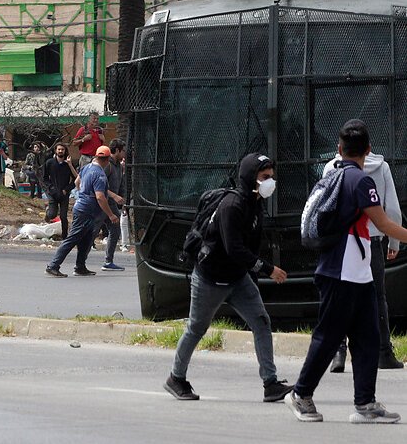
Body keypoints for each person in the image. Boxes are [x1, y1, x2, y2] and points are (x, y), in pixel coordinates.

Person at [286, 119, 407, 424]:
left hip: (357, 272)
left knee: (367, 337)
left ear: (339, 149)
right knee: (328, 337)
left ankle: (365, 404)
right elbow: (384, 224)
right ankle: (300, 394)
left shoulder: (335, 174)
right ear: (368, 149)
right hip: (341, 272)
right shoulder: (360, 181)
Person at [163, 153, 293, 403]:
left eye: (272, 177)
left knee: (261, 322)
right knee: (196, 328)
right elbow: (234, 248)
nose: (270, 182)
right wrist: (268, 269)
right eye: (265, 177)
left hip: (238, 277)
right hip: (211, 278)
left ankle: (270, 383)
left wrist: (252, 275)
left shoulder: (255, 203)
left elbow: (249, 248)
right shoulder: (232, 206)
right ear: (250, 177)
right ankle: (176, 378)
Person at [322, 151, 403, 372]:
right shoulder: (381, 167)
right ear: (367, 148)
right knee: (377, 296)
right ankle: (383, 353)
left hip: (340, 242)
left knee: (339, 296)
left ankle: (338, 353)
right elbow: (393, 210)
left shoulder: (331, 168)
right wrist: (394, 243)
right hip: (373, 240)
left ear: (340, 147)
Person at [44, 146, 118, 278]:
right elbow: (100, 197)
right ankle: (53, 265)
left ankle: (80, 266)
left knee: (86, 239)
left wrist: (83, 194)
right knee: (73, 238)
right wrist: (111, 215)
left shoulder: (87, 167)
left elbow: (78, 182)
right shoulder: (100, 174)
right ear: (107, 160)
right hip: (86, 210)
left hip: (84, 207)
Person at [101, 139, 127, 272]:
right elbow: (99, 188)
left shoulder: (118, 166)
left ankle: (108, 261)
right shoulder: (107, 165)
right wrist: (114, 196)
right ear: (116, 150)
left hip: (112, 204)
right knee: (91, 231)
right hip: (103, 203)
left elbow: (121, 185)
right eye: (123, 150)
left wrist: (123, 204)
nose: (124, 153)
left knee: (114, 231)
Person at [42, 143, 76, 239]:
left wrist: (67, 189)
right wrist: (50, 188)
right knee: (52, 214)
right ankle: (48, 213)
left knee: (63, 216)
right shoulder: (49, 163)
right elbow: (44, 178)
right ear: (55, 151)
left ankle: (65, 237)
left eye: (62, 149)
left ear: (65, 151)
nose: (60, 151)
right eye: (59, 149)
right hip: (53, 193)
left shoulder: (68, 164)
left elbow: (75, 180)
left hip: (64, 194)